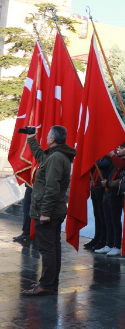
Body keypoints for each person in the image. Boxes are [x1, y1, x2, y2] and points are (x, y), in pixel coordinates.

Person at [21, 125, 76, 296]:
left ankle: (46, 284)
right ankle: (51, 282)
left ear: (52, 139)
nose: (46, 137)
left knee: (47, 249)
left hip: (48, 212)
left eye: (47, 136)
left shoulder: (56, 158)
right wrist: (31, 138)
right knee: (53, 248)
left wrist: (45, 212)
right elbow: (40, 156)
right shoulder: (55, 156)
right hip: (54, 210)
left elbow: (52, 188)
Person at [96, 142, 125, 257]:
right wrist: (103, 151)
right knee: (107, 219)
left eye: (122, 148)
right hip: (108, 193)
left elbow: (124, 180)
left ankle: (117, 245)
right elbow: (108, 160)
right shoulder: (116, 159)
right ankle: (109, 244)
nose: (119, 149)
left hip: (117, 193)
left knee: (115, 220)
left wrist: (109, 183)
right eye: (119, 147)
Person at [85, 157, 111, 251]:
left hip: (101, 189)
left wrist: (90, 157)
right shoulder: (99, 158)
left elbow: (101, 165)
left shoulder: (108, 159)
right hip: (95, 187)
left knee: (102, 216)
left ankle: (103, 240)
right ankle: (97, 237)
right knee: (97, 215)